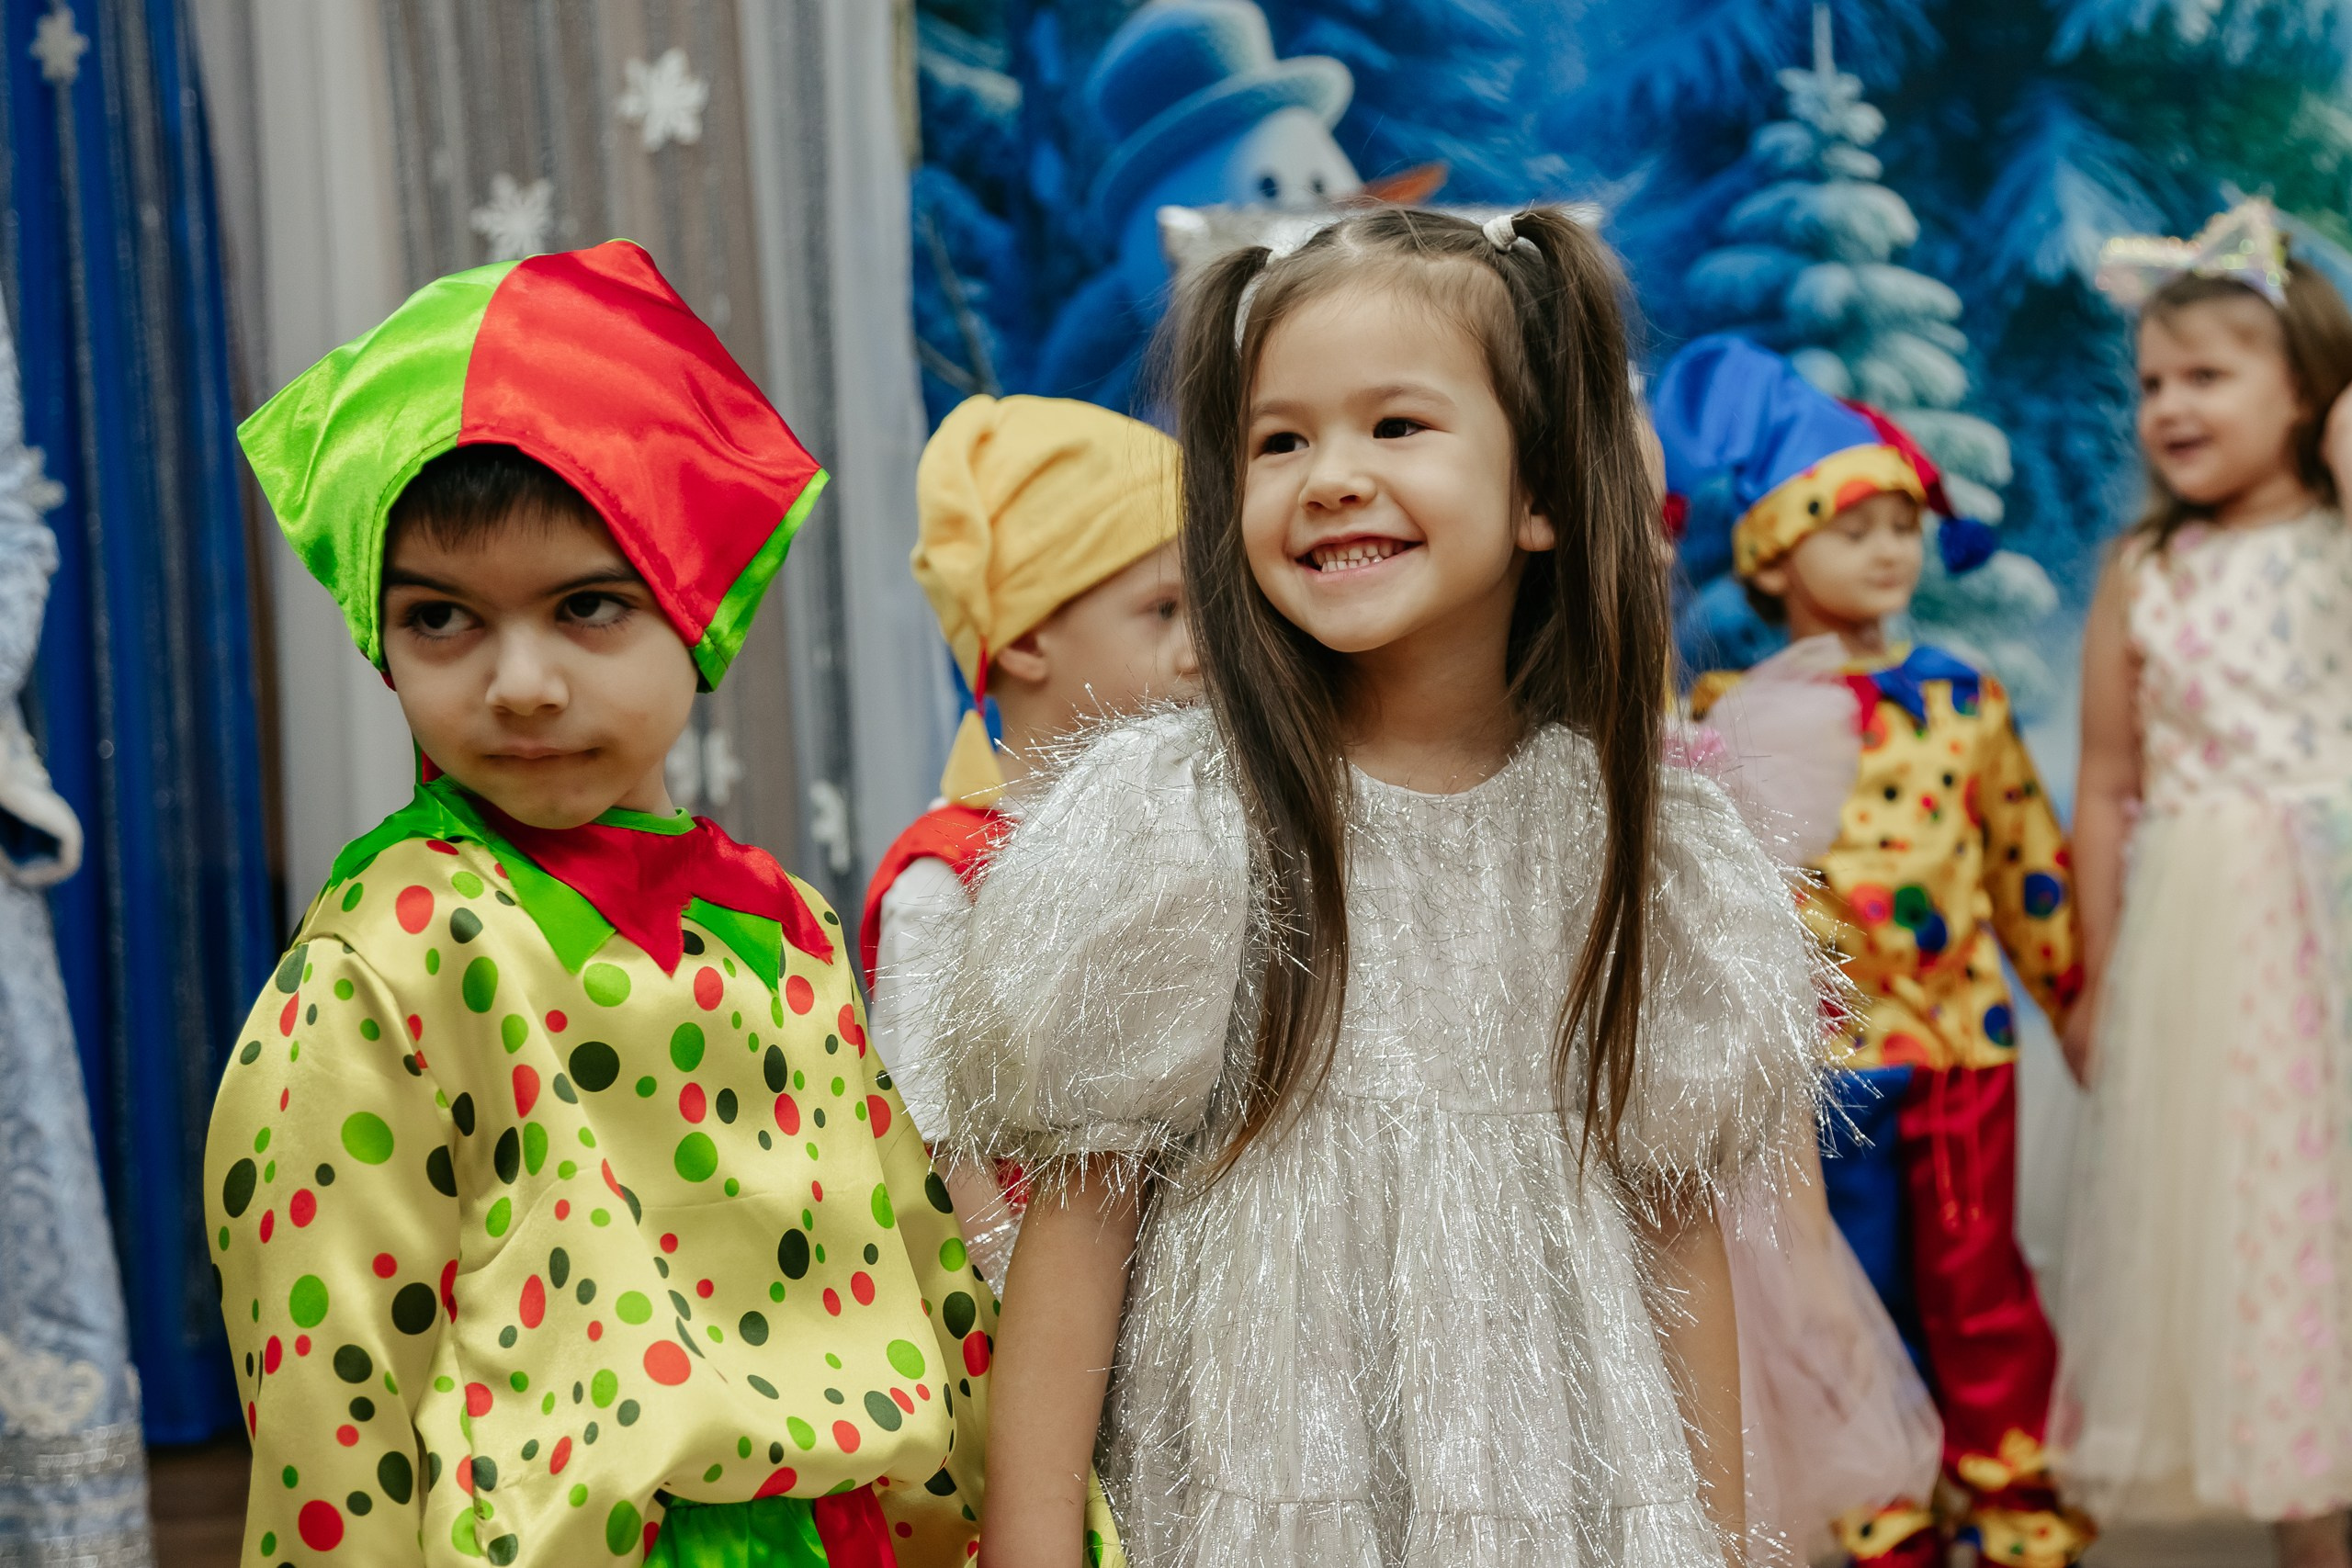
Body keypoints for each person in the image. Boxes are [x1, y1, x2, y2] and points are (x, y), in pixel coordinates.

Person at [933, 207, 1826, 1567]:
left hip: (1565, 1511)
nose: (1330, 476)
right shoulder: (1181, 824)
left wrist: (1720, 1545)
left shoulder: (1639, 843)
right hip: (1250, 1497)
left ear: (1538, 494)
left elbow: (1679, 1237)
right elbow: (1081, 1220)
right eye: (1280, 440)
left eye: (1395, 427)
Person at [205, 242, 989, 1567]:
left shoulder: (778, 922)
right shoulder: (385, 960)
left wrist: (1010, 1517)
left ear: (697, 609)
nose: (519, 681)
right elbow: (330, 1386)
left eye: (588, 606)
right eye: (443, 617)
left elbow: (920, 1254)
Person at [1660, 335, 2089, 1568]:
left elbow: (2027, 854)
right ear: (1778, 552)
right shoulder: (1727, 712)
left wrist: (2070, 992)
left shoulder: (1964, 697)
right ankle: (1879, 1501)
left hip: (1961, 1043)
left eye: (1905, 524)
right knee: (1848, 1291)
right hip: (1826, 1070)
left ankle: (2010, 1489)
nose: (1891, 550)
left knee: (1979, 1276)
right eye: (1856, 527)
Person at [2056, 197, 2352, 1568]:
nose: (2168, 406)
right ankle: (2313, 1517)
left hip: (2336, 900)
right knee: (2272, 1215)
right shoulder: (2144, 568)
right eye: (2151, 382)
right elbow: (2109, 781)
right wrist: (2101, 973)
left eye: (2209, 373)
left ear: (2304, 386)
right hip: (2216, 948)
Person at [860, 392, 1193, 1279]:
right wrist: (1020, 1311)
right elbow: (931, 1130)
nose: (1202, 648)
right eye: (1165, 611)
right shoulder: (946, 877)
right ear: (1028, 637)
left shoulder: (1188, 835)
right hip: (1037, 1309)